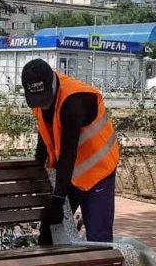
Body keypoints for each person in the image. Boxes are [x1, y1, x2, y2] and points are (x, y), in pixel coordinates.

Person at [22, 58, 119, 244]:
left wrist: (58, 199)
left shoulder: (74, 101)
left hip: (98, 171)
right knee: (49, 235)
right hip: (69, 174)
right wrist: (38, 162)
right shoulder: (40, 99)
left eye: (45, 98)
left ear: (52, 82)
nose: (42, 104)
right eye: (37, 100)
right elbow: (46, 130)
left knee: (99, 241)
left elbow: (68, 153)